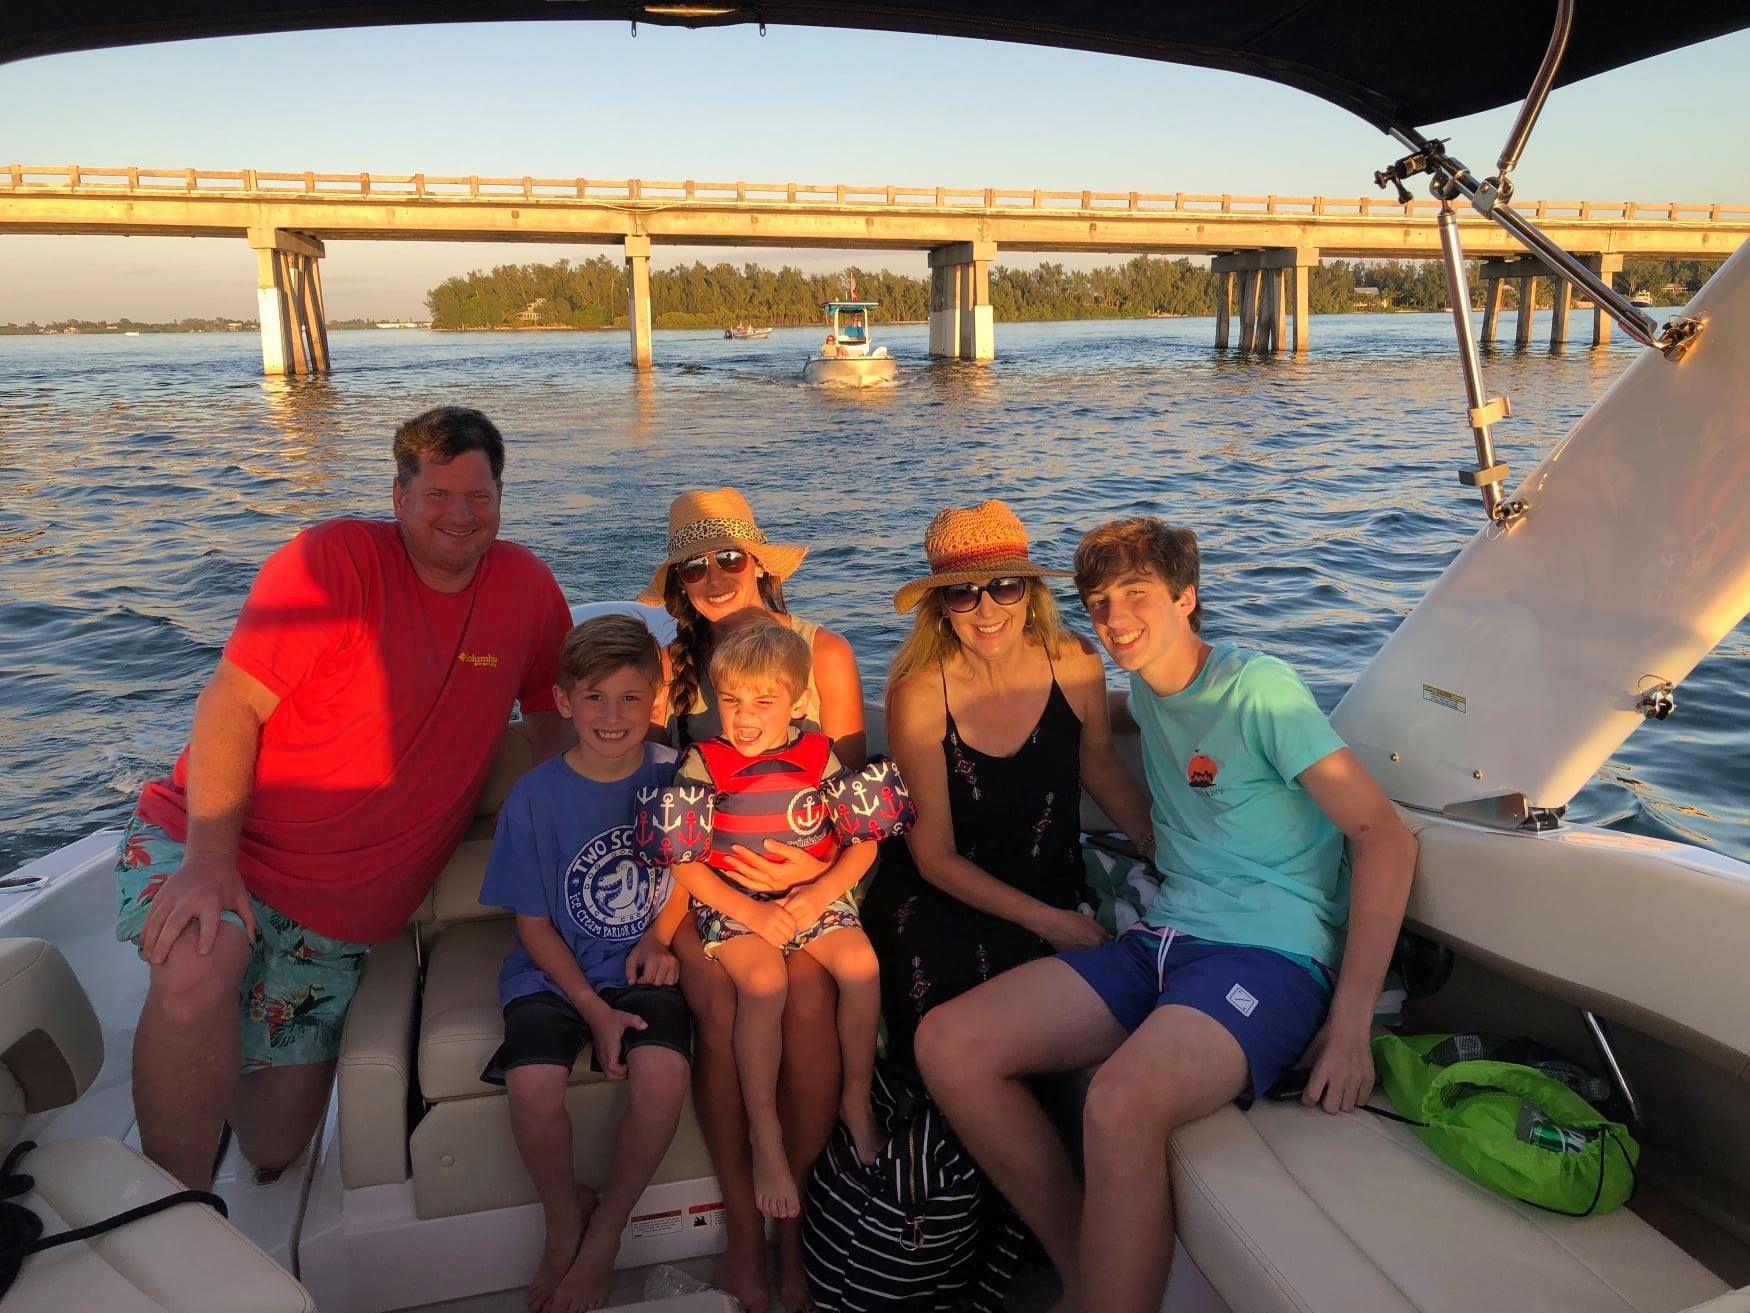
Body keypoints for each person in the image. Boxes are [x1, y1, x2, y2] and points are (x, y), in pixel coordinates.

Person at [916, 515, 1418, 1313]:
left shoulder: (1261, 689)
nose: (1116, 621)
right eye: (1099, 602)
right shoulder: (1148, 689)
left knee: (1120, 1100)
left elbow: (1384, 838)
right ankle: (1087, 1267)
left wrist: (1351, 1023)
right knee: (949, 1042)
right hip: (1162, 938)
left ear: (1188, 596)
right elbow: (1090, 715)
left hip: (1267, 955)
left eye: (1137, 596)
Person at [115, 405, 573, 1191]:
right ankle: (170, 1212)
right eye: (437, 494)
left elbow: (554, 723)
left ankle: (211, 1053)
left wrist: (568, 851)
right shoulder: (330, 562)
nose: (460, 516)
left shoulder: (526, 589)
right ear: (398, 497)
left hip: (336, 921)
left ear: (501, 497)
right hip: (221, 846)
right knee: (199, 959)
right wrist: (209, 861)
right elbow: (231, 704)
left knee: (274, 1147)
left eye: (479, 495)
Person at [640, 486, 865, 1313]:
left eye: (729, 557)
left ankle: (791, 1220)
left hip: (812, 887)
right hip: (706, 895)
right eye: (693, 565)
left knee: (809, 995)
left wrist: (804, 891)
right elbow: (665, 810)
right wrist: (681, 921)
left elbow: (850, 806)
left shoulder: (825, 654)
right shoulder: (672, 669)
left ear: (759, 563)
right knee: (725, 999)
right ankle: (744, 1224)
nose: (714, 575)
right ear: (677, 582)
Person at [863, 499, 1154, 1070]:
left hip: (1051, 874)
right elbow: (934, 858)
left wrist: (1158, 847)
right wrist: (1052, 922)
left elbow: (1099, 766)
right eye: (962, 593)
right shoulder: (920, 692)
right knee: (947, 995)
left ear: (1031, 592)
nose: (986, 608)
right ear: (941, 608)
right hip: (945, 896)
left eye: (1004, 586)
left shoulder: (1073, 661)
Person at [478, 614, 691, 1313]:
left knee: (663, 1079)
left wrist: (658, 937)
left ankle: (604, 1235)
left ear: (657, 703)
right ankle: (563, 1214)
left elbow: (690, 873)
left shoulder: (675, 777)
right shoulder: (536, 797)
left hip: (639, 959)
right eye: (594, 697)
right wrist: (595, 1012)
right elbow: (533, 925)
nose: (612, 715)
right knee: (533, 1084)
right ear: (563, 701)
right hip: (553, 971)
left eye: (631, 698)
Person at [662, 619, 883, 1220]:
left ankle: (857, 1100)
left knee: (862, 965)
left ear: (800, 701)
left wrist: (818, 896)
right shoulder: (703, 764)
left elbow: (864, 843)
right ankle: (765, 1135)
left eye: (764, 701)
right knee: (764, 984)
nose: (745, 717)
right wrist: (751, 913)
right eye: (731, 702)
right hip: (734, 906)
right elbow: (683, 862)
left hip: (815, 897)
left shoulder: (821, 757)